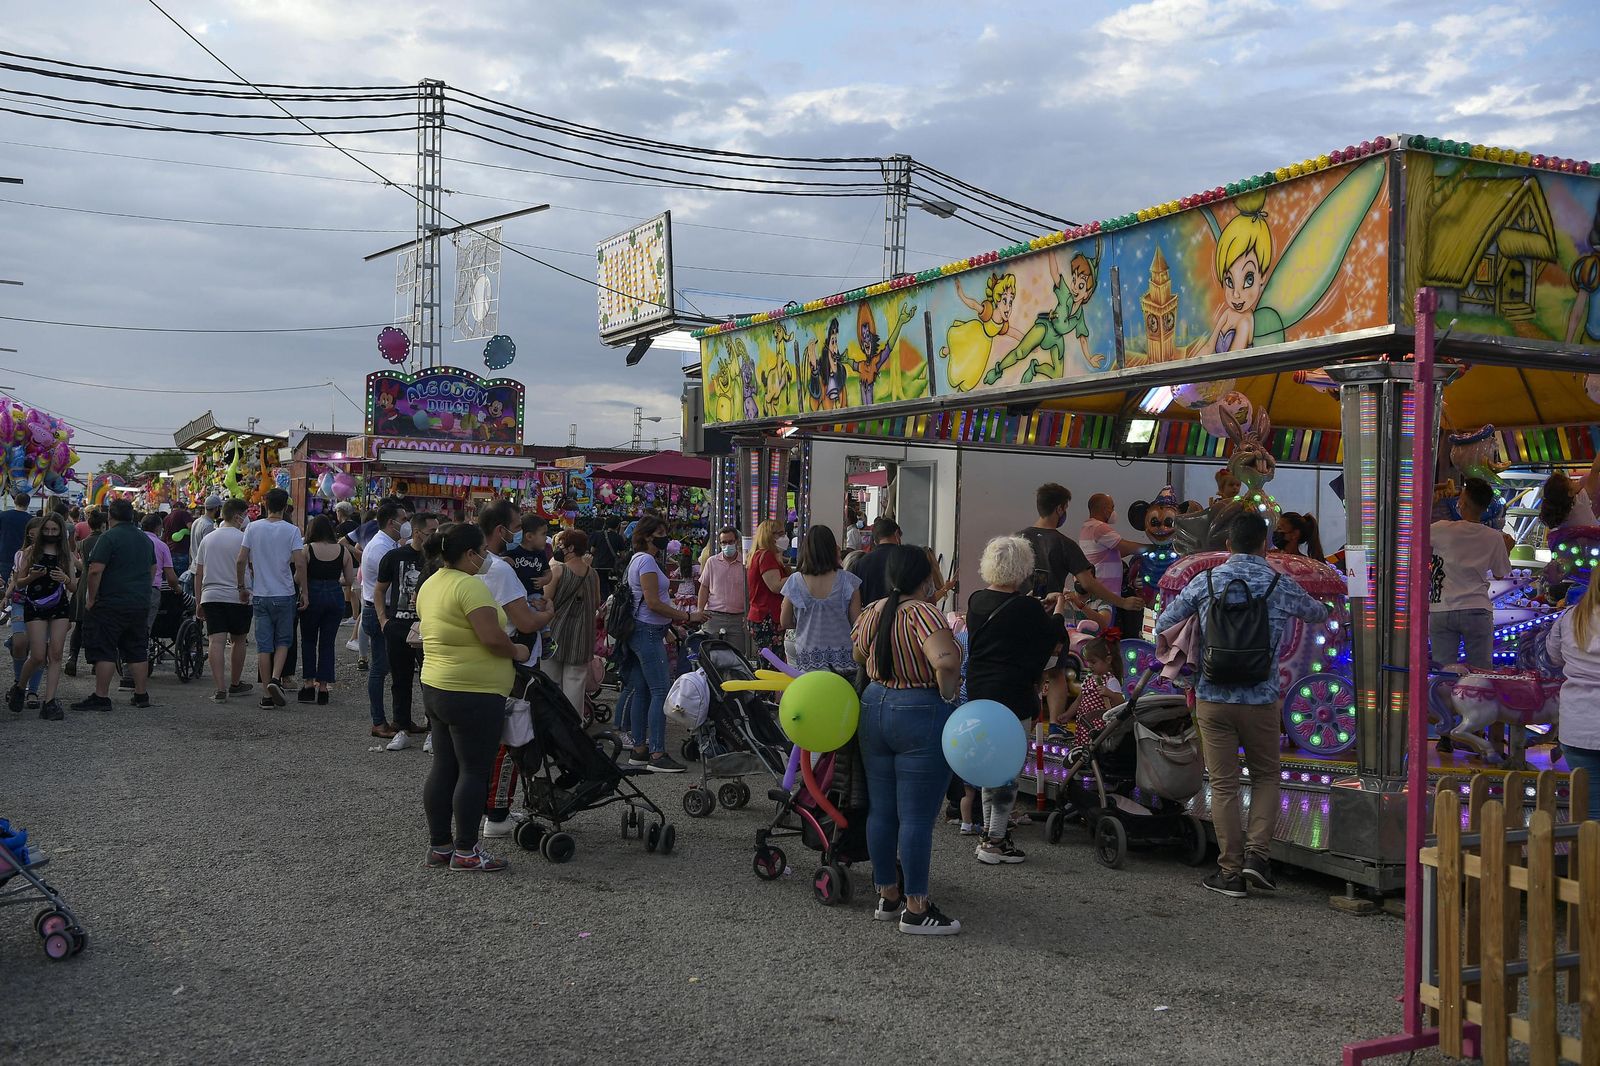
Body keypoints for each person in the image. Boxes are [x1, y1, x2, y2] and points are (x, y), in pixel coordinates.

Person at [1155, 512, 1328, 898]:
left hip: (1212, 698)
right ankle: (1257, 858)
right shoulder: (1279, 582)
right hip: (1261, 699)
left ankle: (1230, 872)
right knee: (1266, 776)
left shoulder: (1205, 580)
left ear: (1228, 544)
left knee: (1223, 784)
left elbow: (1164, 621)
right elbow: (1318, 613)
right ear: (1265, 545)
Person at [850, 545, 965, 934]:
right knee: (916, 816)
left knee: (881, 810)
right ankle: (917, 908)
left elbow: (857, 653)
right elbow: (945, 661)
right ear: (925, 578)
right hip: (919, 710)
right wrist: (947, 694)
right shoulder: (924, 613)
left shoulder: (874, 610)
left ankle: (888, 894)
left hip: (873, 706)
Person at [417, 522, 530, 873]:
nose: (487, 557)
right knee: (474, 770)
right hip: (475, 691)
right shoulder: (471, 587)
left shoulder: (431, 583)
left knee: (444, 766)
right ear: (469, 554)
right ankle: (467, 850)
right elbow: (492, 638)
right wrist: (518, 651)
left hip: (437, 685)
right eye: (483, 551)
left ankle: (440, 845)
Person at [964, 534, 1069, 863]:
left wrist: (1039, 610)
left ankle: (988, 833)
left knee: (989, 766)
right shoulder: (1026, 607)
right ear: (1023, 567)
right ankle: (995, 841)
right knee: (1008, 768)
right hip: (1012, 694)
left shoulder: (976, 600)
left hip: (979, 692)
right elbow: (1050, 638)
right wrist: (1059, 610)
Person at [1018, 483, 1143, 735]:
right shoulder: (1064, 544)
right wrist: (1121, 602)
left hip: (1020, 617)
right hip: (1051, 620)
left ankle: (1024, 724)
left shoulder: (1017, 540)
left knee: (1025, 673)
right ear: (1060, 508)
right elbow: (1088, 583)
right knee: (1056, 673)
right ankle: (1055, 726)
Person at [477, 501, 554, 831]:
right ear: (501, 530)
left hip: (480, 665)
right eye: (518, 526)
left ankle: (486, 809)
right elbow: (524, 621)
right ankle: (497, 812)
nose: (521, 533)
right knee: (511, 738)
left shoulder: (472, 566)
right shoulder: (500, 570)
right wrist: (547, 614)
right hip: (513, 664)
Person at [618, 515, 703, 773]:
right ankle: (657, 752)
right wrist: (687, 616)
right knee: (659, 690)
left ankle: (639, 749)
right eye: (660, 533)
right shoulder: (645, 561)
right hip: (648, 631)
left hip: (641, 630)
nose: (665, 538)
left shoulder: (638, 560)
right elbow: (653, 602)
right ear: (646, 536)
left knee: (642, 690)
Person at [72, 497, 155, 712]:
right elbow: (153, 568)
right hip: (139, 602)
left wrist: (91, 599)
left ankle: (101, 696)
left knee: (105, 649)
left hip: (111, 602)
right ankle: (141, 694)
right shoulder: (144, 539)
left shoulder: (108, 538)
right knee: (137, 649)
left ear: (110, 516)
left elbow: (95, 570)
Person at [236, 488, 308, 710]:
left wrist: (241, 587)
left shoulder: (253, 528)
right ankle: (276, 678)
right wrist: (304, 591)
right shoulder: (292, 530)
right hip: (284, 593)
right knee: (283, 641)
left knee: (263, 645)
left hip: (261, 594)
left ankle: (267, 694)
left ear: (265, 505)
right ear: (286, 507)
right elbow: (300, 563)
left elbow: (241, 560)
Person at [1429, 478, 1512, 670]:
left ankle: (1444, 690)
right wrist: (1507, 549)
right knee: (1481, 672)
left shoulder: (1441, 529)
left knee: (1443, 672)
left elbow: (1413, 532)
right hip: (1477, 608)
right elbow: (1500, 574)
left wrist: (1430, 502)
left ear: (1463, 503)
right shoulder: (1494, 537)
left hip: (1443, 608)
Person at [6, 511, 76, 720]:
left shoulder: (65, 554)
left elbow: (73, 585)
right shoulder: (31, 552)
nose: (50, 533)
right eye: (47, 529)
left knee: (56, 654)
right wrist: (32, 576)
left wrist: (65, 578)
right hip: (34, 605)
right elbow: (19, 583)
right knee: (37, 655)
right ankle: (20, 687)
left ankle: (50, 701)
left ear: (60, 531)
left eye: (54, 530)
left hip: (59, 606)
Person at [375, 511, 436, 734]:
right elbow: (379, 590)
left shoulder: (437, 560)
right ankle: (401, 724)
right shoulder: (394, 557)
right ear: (418, 533)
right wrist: (383, 620)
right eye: (432, 531)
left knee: (429, 679)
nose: (436, 535)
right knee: (400, 679)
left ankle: (433, 725)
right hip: (398, 626)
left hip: (427, 628)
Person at [1545, 576, 1600, 821]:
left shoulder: (1569, 617)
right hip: (1580, 725)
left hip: (1578, 726)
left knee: (1591, 811)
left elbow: (1554, 656)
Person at [194, 499, 254, 703]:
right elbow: (251, 566)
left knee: (216, 641)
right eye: (245, 514)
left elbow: (199, 573)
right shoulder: (244, 539)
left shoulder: (208, 539)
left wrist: (199, 601)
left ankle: (220, 688)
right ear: (238, 516)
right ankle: (235, 683)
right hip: (239, 596)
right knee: (239, 640)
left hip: (211, 595)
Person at [780, 525, 862, 674]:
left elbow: (785, 621)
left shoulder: (795, 581)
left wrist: (805, 622)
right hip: (843, 661)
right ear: (833, 549)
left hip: (809, 659)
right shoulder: (849, 581)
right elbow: (857, 624)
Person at [355, 502, 405, 734]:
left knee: (388, 667)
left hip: (381, 609)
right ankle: (378, 721)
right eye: (403, 520)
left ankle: (397, 719)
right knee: (379, 668)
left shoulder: (387, 544)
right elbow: (386, 585)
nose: (405, 524)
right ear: (391, 522)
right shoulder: (380, 548)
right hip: (378, 611)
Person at [297, 514, 356, 706]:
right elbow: (349, 580)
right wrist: (334, 581)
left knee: (308, 640)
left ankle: (308, 685)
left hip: (312, 595)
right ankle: (323, 688)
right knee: (327, 642)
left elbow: (298, 577)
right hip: (334, 596)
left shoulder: (307, 549)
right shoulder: (342, 550)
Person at [543, 527, 601, 713]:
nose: (558, 549)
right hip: (582, 636)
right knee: (576, 683)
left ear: (570, 548)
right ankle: (574, 723)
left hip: (555, 633)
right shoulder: (593, 574)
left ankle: (553, 722)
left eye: (561, 545)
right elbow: (597, 603)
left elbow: (545, 601)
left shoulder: (557, 571)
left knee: (551, 682)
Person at [65, 508, 107, 677]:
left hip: (83, 585)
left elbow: (82, 565)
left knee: (80, 624)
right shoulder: (106, 541)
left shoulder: (83, 543)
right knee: (101, 626)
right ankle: (96, 662)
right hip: (102, 584)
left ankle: (72, 657)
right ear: (104, 525)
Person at [697, 526, 749, 655]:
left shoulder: (745, 564)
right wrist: (700, 611)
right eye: (724, 542)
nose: (727, 545)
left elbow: (751, 591)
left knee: (737, 657)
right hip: (714, 616)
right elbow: (704, 587)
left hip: (738, 619)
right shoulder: (712, 562)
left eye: (730, 542)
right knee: (711, 656)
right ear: (719, 544)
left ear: (737, 542)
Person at [1079, 493, 1143, 591]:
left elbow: (1117, 552)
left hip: (1101, 589)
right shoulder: (1099, 528)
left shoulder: (1087, 527)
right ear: (1105, 509)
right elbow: (1125, 547)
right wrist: (1152, 547)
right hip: (1104, 591)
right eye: (1112, 507)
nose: (1113, 511)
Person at [745, 519, 789, 655]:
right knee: (773, 660)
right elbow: (775, 585)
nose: (784, 537)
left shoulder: (757, 555)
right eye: (780, 534)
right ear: (769, 536)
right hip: (767, 617)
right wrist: (797, 577)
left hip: (761, 616)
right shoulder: (766, 556)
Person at [1539, 453, 1600, 530]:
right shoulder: (1579, 506)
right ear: (1570, 493)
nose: (1575, 481)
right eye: (1571, 481)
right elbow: (1591, 484)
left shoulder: (1564, 516)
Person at [853, 516, 903, 605]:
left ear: (875, 540)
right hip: (903, 612)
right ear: (896, 534)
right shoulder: (907, 559)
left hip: (871, 611)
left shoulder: (860, 563)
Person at [591, 516, 627, 601]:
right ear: (617, 526)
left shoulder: (598, 535)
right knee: (611, 588)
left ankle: (600, 602)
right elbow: (623, 555)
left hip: (597, 565)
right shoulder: (618, 538)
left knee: (599, 586)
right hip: (611, 567)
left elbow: (592, 550)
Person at [0, 492, 32, 585]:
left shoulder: (3, 516)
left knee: (2, 584)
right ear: (28, 503)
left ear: (15, 501)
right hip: (23, 555)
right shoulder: (31, 520)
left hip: (4, 553)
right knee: (18, 585)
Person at [163, 500, 194, 577]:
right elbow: (191, 527)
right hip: (182, 550)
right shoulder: (183, 514)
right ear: (180, 507)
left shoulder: (166, 518)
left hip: (170, 551)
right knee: (182, 578)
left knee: (172, 578)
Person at [190, 496, 222, 560]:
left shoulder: (196, 522)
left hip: (194, 562)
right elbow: (208, 550)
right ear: (216, 508)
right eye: (220, 508)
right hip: (203, 564)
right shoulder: (208, 526)